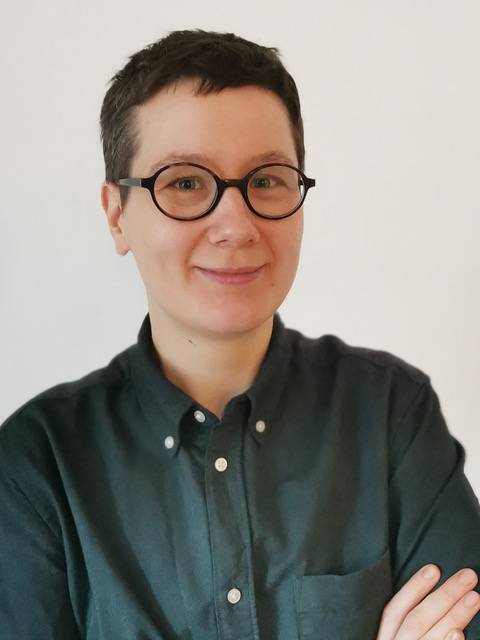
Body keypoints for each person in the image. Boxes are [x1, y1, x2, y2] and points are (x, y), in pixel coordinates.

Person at [0, 29, 479, 640]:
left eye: (266, 180)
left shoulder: (391, 414)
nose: (236, 225)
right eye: (185, 183)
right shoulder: (37, 467)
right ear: (117, 215)